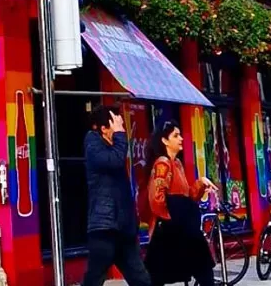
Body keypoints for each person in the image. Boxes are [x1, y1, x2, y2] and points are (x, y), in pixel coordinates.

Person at [81, 105, 152, 286]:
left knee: (141, 279)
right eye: (117, 124)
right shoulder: (92, 143)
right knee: (95, 278)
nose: (121, 128)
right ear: (104, 128)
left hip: (123, 229)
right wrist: (120, 135)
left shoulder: (113, 147)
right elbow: (115, 160)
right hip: (104, 227)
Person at [143, 121, 217, 286]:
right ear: (165, 141)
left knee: (200, 267)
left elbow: (187, 194)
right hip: (174, 227)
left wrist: (202, 182)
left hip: (181, 226)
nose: (181, 139)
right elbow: (156, 197)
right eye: (176, 136)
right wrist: (171, 218)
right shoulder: (163, 163)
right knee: (160, 273)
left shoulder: (177, 164)